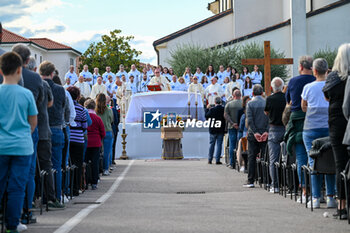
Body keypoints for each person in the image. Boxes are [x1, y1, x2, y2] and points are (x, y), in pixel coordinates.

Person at [0, 52, 38, 233]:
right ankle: (13, 224)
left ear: (1, 70)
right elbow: (33, 121)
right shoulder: (26, 94)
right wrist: (24, 134)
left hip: (1, 145)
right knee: (17, 187)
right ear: (19, 70)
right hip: (22, 146)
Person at [9, 44, 44, 224]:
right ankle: (25, 212)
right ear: (28, 61)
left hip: (5, 134)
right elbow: (38, 109)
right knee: (26, 175)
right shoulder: (34, 81)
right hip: (25, 133)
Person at [301, 58, 336, 208]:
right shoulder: (332, 85)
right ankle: (331, 197)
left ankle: (315, 198)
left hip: (311, 128)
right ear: (327, 70)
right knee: (330, 160)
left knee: (313, 161)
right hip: (328, 127)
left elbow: (303, 107)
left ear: (314, 71)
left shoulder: (308, 87)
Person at [323, 44, 350, 219]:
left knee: (340, 163)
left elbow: (326, 96)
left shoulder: (333, 77)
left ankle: (341, 205)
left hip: (336, 121)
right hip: (348, 120)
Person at [285, 55, 315, 203]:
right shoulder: (317, 81)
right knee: (317, 158)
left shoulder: (293, 81)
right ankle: (318, 193)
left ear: (301, 67)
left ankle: (304, 192)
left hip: (297, 121)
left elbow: (288, 100)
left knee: (301, 158)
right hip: (315, 119)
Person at [40, 61, 66, 203]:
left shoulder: (38, 85)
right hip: (56, 128)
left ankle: (41, 196)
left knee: (39, 166)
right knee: (55, 165)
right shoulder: (60, 89)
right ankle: (55, 197)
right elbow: (63, 107)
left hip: (41, 128)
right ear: (52, 73)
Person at [243, 85, 269, 188]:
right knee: (266, 157)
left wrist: (255, 132)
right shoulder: (266, 102)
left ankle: (251, 180)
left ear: (252, 93)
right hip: (265, 134)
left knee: (252, 157)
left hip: (253, 135)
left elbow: (250, 120)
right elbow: (269, 118)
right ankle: (266, 180)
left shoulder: (250, 103)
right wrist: (266, 131)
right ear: (262, 93)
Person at [264, 77, 286, 193]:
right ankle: (289, 184)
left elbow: (266, 112)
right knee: (288, 158)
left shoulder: (270, 99)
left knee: (273, 159)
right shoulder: (286, 98)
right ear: (282, 86)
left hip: (273, 129)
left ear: (272, 87)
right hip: (285, 128)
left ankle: (275, 185)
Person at [67, 86, 87, 196]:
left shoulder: (67, 107)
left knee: (68, 163)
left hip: (70, 137)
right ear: (78, 97)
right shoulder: (81, 109)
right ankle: (75, 188)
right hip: (78, 139)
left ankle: (68, 187)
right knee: (78, 164)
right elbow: (85, 125)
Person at [84, 99, 105, 190]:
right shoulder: (97, 118)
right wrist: (99, 139)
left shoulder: (84, 116)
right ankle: (94, 182)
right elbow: (103, 132)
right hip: (96, 143)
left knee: (85, 162)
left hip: (86, 142)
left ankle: (86, 180)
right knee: (95, 163)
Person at [96, 93, 114, 176]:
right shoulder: (109, 110)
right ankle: (105, 169)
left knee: (98, 151)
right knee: (106, 152)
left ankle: (98, 169)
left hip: (98, 132)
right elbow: (111, 120)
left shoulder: (96, 110)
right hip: (107, 130)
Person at [224, 89, 243, 169]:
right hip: (241, 127)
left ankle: (232, 163)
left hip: (232, 127)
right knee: (241, 145)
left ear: (233, 95)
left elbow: (226, 115)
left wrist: (232, 123)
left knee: (232, 145)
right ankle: (241, 163)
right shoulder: (244, 104)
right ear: (240, 95)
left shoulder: (229, 104)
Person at [205, 97, 226, 164]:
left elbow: (206, 116)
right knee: (219, 144)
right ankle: (217, 160)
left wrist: (207, 109)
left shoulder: (212, 109)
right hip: (220, 129)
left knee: (212, 144)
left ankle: (210, 159)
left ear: (215, 102)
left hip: (213, 129)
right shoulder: (223, 109)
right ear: (220, 102)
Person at [237, 96, 250, 172]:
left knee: (244, 150)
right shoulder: (243, 115)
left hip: (246, 134)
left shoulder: (244, 115)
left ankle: (243, 164)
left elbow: (241, 127)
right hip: (246, 134)